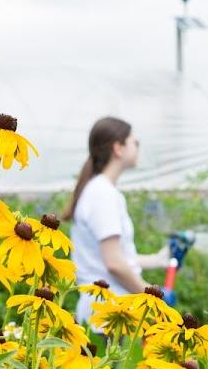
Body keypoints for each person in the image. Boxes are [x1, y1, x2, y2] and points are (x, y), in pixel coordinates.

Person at [66, 117, 171, 326]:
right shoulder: (102, 193)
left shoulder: (102, 189)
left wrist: (158, 259)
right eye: (135, 142)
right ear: (118, 148)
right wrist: (152, 299)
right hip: (107, 313)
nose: (138, 147)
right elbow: (114, 263)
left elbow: (117, 256)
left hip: (108, 310)